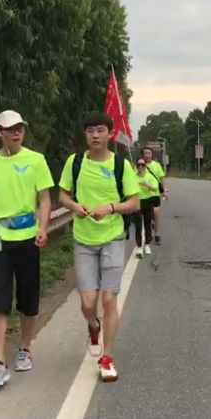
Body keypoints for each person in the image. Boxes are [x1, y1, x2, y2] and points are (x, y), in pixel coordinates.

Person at [59, 112, 139, 382]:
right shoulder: (75, 162)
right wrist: (75, 206)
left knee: (108, 299)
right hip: (83, 239)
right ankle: (93, 326)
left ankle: (107, 357)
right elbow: (63, 195)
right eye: (90, 130)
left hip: (113, 238)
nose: (95, 135)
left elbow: (134, 203)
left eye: (100, 130)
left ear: (109, 134)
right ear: (85, 134)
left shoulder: (121, 165)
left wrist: (110, 208)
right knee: (87, 302)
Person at [0, 110, 54, 387]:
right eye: (10, 129)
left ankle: (24, 347)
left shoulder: (36, 160)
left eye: (20, 128)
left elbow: (44, 198)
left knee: (28, 297)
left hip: (27, 238)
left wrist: (43, 227)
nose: (16, 132)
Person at [141, 146, 168, 245]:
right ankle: (148, 235)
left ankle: (157, 234)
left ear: (152, 155)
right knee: (146, 216)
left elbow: (162, 178)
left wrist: (165, 190)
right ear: (142, 155)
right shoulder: (139, 165)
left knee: (156, 213)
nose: (147, 155)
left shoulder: (156, 165)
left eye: (149, 153)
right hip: (143, 195)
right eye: (145, 153)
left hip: (154, 194)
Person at [133, 158, 159, 257]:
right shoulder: (133, 176)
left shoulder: (149, 176)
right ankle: (139, 247)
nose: (140, 167)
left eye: (142, 165)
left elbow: (155, 188)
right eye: (138, 165)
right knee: (138, 224)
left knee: (147, 223)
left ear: (145, 166)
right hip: (137, 202)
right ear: (136, 166)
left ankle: (147, 244)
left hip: (148, 201)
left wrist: (147, 185)